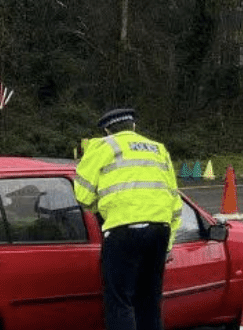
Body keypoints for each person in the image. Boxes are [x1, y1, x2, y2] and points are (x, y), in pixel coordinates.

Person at [74, 108, 183, 330]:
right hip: (159, 232)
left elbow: (83, 195)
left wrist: (103, 208)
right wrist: (168, 245)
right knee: (150, 303)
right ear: (133, 126)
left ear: (106, 130)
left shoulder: (103, 147)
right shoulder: (158, 149)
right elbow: (174, 200)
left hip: (122, 231)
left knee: (120, 302)